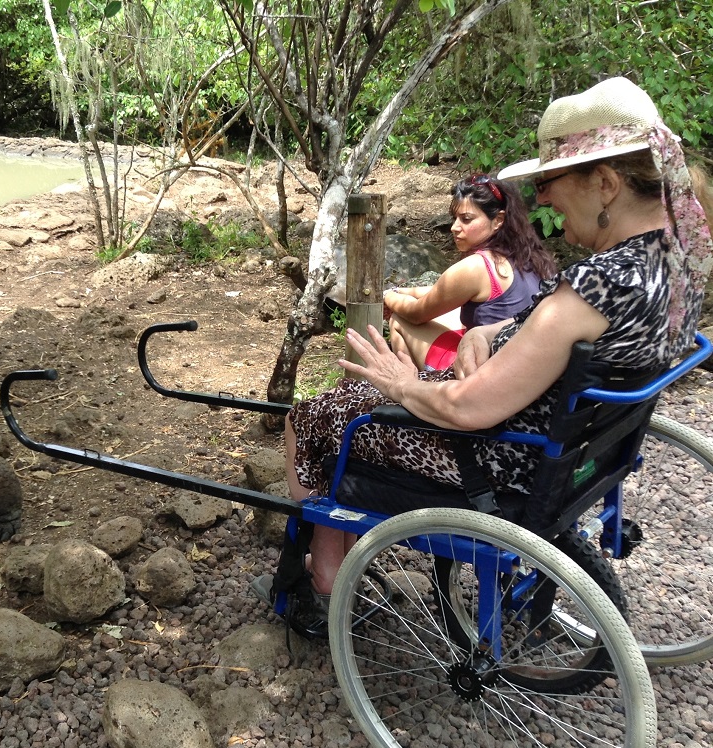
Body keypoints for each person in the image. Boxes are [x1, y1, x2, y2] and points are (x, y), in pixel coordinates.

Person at [253, 76, 713, 636]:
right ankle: (339, 559)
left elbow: (467, 410)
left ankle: (324, 581)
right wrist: (488, 335)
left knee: (319, 415)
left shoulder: (598, 283)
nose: (541, 197)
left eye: (549, 179)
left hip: (498, 460)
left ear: (605, 182)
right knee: (359, 395)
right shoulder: (679, 258)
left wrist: (402, 385)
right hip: (576, 451)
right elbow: (543, 331)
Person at [384, 175, 554, 371]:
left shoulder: (475, 267)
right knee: (449, 312)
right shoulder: (527, 256)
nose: (454, 227)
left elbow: (416, 314)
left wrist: (388, 298)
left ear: (498, 220)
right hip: (523, 366)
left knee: (400, 319)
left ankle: (413, 388)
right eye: (454, 218)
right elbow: (442, 292)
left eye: (466, 219)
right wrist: (402, 291)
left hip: (484, 373)